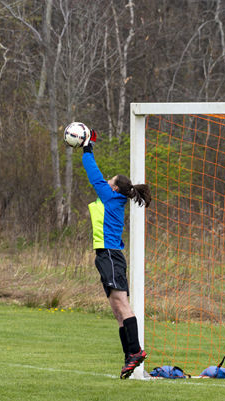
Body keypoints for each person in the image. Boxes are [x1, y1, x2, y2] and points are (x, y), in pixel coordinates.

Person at [80, 130, 152, 379]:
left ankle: (136, 351)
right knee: (115, 307)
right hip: (105, 256)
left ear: (115, 187)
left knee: (122, 304)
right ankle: (129, 356)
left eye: (109, 181)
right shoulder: (112, 198)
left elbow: (93, 174)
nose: (105, 183)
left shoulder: (111, 197)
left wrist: (87, 148)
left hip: (110, 255)